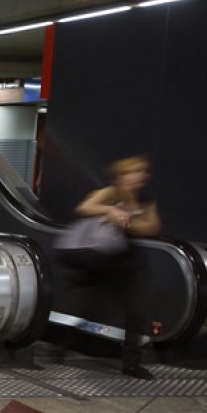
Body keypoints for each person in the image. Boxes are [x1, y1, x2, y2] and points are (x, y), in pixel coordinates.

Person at [63, 154, 160, 379]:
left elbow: (152, 226)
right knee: (88, 306)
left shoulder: (145, 201)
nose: (137, 176)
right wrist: (110, 210)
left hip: (128, 262)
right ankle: (63, 342)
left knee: (136, 312)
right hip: (102, 259)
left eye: (141, 172)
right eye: (132, 172)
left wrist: (130, 222)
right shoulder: (111, 193)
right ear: (120, 175)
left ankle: (131, 364)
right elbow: (85, 207)